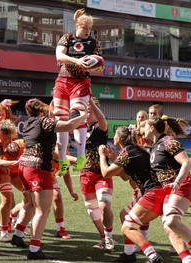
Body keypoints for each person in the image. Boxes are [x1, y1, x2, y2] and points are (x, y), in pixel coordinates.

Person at [10, 98, 88, 260]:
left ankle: (17, 235)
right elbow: (68, 127)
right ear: (41, 111)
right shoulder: (43, 121)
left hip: (24, 166)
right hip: (38, 169)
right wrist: (83, 116)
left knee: (30, 204)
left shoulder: (29, 122)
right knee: (42, 210)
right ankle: (34, 248)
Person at [144, 116, 191, 263]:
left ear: (151, 128)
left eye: (144, 126)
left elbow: (186, 163)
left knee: (171, 220)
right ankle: (188, 260)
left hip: (182, 184)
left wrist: (176, 182)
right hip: (168, 189)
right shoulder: (154, 146)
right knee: (169, 227)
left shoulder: (168, 141)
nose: (141, 129)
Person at [99, 126, 165, 263]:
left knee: (127, 227)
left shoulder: (127, 152)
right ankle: (129, 254)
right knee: (124, 214)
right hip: (153, 192)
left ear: (120, 138)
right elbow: (124, 176)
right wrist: (114, 158)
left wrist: (102, 156)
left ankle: (152, 256)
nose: (114, 137)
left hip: (153, 194)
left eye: (115, 134)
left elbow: (105, 173)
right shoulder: (132, 150)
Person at [52, 8, 103, 176]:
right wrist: (77, 61)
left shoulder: (94, 43)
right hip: (63, 80)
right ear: (77, 26)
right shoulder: (67, 38)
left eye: (90, 29)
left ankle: (81, 157)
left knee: (77, 114)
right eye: (85, 28)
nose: (87, 32)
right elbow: (59, 56)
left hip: (81, 82)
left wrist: (93, 65)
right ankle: (63, 159)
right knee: (60, 118)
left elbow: (100, 66)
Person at [79, 97, 115, 250]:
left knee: (104, 204)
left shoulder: (99, 128)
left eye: (89, 110)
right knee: (92, 210)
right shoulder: (80, 129)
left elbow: (102, 118)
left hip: (101, 173)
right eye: (85, 110)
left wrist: (91, 102)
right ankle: (104, 238)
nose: (86, 113)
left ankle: (109, 237)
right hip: (86, 174)